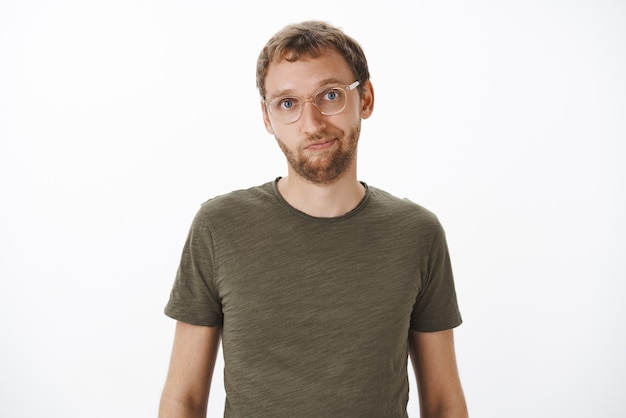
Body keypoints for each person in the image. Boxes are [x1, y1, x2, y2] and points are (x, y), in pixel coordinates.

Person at [159, 20, 468, 418]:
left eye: (330, 95)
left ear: (366, 99)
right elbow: (182, 400)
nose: (312, 123)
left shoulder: (417, 233)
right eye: (287, 103)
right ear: (268, 118)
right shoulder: (220, 227)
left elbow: (444, 403)